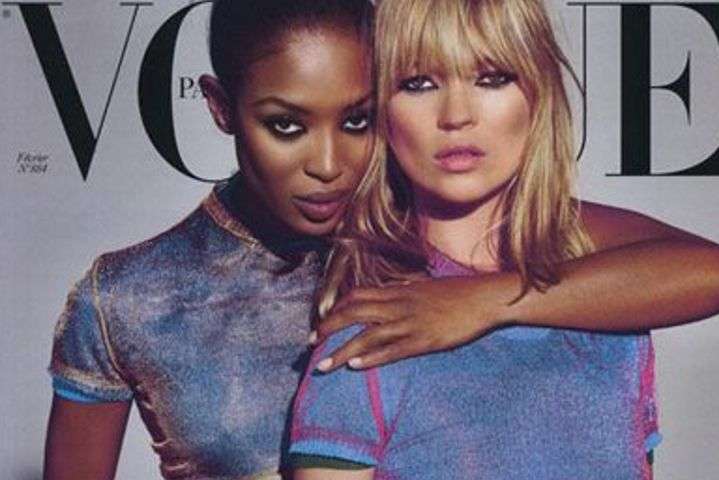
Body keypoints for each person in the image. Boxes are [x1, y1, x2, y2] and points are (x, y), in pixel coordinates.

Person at [289, 0, 719, 478]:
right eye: (418, 83)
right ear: (379, 111)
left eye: (492, 78)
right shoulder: (375, 334)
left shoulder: (613, 321)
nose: (456, 115)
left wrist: (483, 301)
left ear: (538, 94)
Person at [43, 1, 375, 478]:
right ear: (221, 107)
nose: (327, 164)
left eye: (356, 121)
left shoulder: (425, 254)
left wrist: (480, 302)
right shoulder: (126, 297)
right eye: (286, 125)